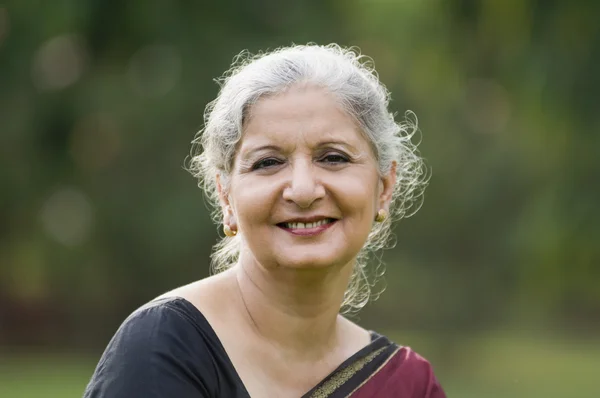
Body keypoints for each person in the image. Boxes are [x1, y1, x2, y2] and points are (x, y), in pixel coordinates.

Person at [83, 43, 446, 398]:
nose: (303, 191)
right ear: (226, 196)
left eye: (333, 157)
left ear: (383, 187)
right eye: (268, 162)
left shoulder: (408, 385)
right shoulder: (166, 347)